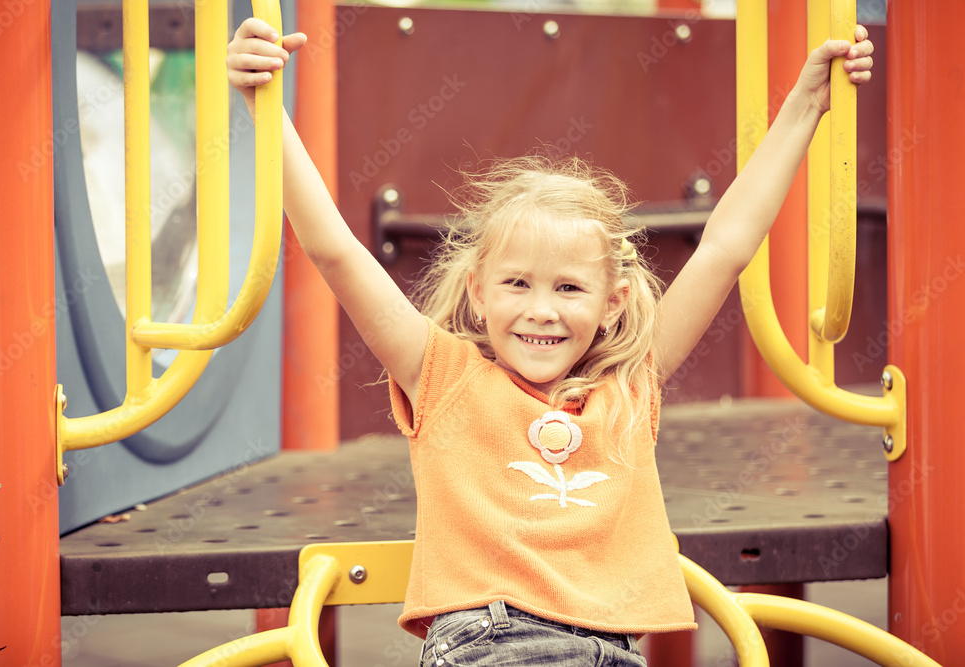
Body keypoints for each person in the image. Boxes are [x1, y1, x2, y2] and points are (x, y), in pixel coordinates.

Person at [228, 21, 873, 667]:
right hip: (493, 642)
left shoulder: (628, 387)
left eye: (569, 287)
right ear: (478, 292)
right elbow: (335, 252)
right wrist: (265, 105)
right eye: (516, 283)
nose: (541, 310)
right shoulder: (442, 374)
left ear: (611, 302)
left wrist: (807, 105)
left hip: (612, 651)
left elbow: (726, 248)